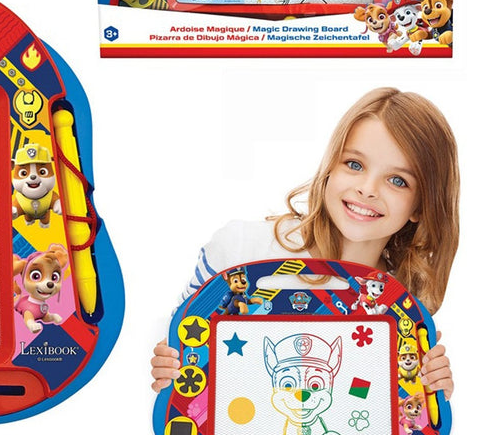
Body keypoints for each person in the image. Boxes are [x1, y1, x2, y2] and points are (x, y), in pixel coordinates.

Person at [151, 88, 458, 398]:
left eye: (397, 181)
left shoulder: (400, 305)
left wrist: (429, 391)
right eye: (354, 164)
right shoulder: (240, 248)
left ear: (421, 206)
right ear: (330, 166)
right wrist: (166, 362)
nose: (368, 189)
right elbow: (180, 343)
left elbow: (366, 398)